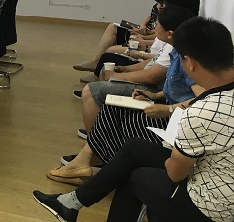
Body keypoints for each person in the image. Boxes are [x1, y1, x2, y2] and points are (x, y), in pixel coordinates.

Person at [34, 17, 234, 222]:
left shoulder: (202, 111)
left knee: (134, 174)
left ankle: (72, 202)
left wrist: (176, 146)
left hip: (215, 206)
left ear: (190, 63)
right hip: (217, 171)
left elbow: (175, 174)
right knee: (135, 149)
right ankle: (70, 203)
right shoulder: (217, 100)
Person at [49, 5, 203, 186]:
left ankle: (91, 162)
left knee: (119, 117)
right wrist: (155, 96)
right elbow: (176, 88)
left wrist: (167, 109)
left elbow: (203, 99)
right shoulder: (176, 52)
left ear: (170, 33)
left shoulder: (188, 60)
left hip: (174, 122)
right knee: (112, 107)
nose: (154, 29)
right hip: (167, 109)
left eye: (157, 26)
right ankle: (86, 160)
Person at [78, 0, 201, 134]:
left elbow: (153, 77)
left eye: (158, 25)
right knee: (109, 108)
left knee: (95, 90)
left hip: (171, 111)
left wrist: (167, 108)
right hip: (162, 99)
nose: (159, 9)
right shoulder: (176, 48)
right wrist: (128, 70)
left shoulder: (186, 56)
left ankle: (95, 140)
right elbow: (169, 81)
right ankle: (96, 140)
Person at [73, 0, 184, 72]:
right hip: (147, 32)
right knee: (112, 26)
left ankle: (98, 64)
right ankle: (96, 61)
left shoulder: (171, 1)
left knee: (111, 47)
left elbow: (160, 38)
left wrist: (144, 38)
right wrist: (143, 25)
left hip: (148, 36)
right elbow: (151, 15)